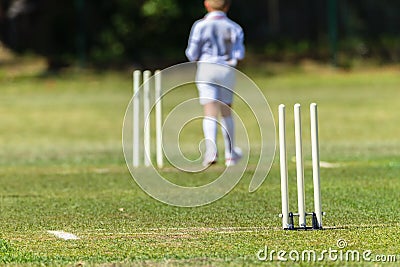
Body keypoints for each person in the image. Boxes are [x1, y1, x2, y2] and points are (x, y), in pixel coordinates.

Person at [185, 0, 245, 167]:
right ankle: (230, 154)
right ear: (227, 6)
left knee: (210, 111)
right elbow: (239, 53)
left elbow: (191, 53)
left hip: (206, 68)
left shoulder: (200, 26)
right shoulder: (234, 27)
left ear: (207, 5)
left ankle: (211, 152)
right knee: (226, 111)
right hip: (226, 68)